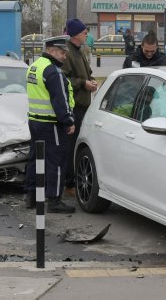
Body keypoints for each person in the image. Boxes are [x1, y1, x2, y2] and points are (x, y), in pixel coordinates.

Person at [24, 35, 77, 213]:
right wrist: (68, 121)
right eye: (62, 53)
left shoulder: (34, 66)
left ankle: (31, 196)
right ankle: (54, 200)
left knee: (34, 159)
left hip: (35, 121)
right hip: (51, 124)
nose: (64, 57)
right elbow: (60, 101)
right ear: (52, 50)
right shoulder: (53, 72)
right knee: (56, 160)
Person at [62, 18, 98, 196]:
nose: (87, 35)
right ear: (76, 34)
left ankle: (73, 180)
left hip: (84, 106)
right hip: (74, 107)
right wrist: (83, 84)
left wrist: (90, 81)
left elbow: (86, 73)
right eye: (84, 32)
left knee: (78, 144)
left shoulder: (79, 51)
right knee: (71, 146)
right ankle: (69, 184)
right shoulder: (67, 53)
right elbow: (64, 79)